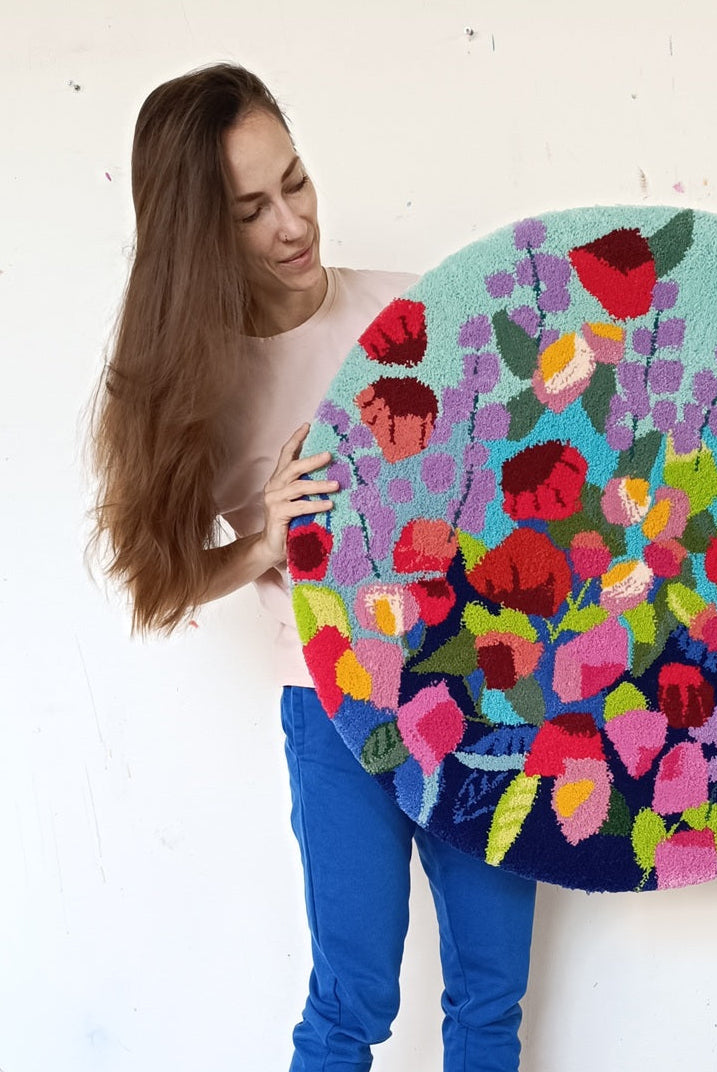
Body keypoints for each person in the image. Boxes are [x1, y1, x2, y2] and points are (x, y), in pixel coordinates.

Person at [89, 63, 537, 1072]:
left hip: (476, 693)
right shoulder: (190, 381)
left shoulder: (419, 312)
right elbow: (160, 579)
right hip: (333, 710)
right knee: (351, 1001)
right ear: (200, 233)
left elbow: (519, 501)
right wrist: (263, 539)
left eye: (296, 182)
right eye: (251, 210)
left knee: (490, 995)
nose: (293, 223)